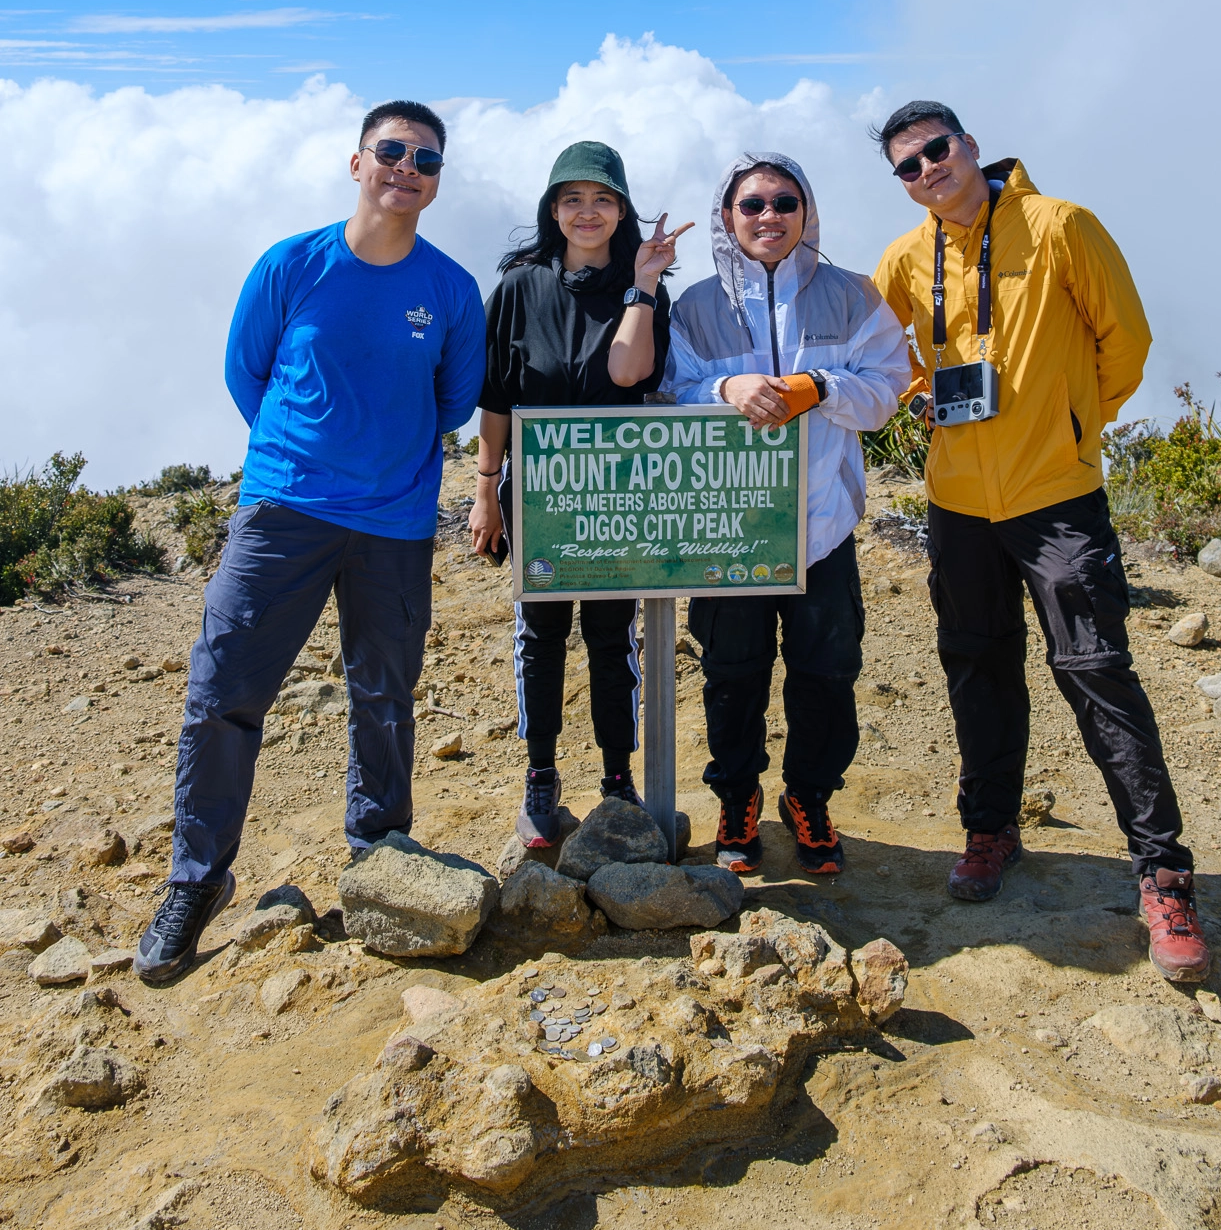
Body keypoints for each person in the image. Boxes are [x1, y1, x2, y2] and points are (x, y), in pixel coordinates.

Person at [134, 100, 485, 986]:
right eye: (393, 151)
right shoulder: (293, 263)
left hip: (395, 524)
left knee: (387, 693)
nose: (408, 168)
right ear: (357, 162)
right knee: (224, 692)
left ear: (437, 181)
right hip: (283, 513)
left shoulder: (448, 289)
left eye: (426, 160)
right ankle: (196, 879)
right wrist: (303, 454)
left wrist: (375, 460)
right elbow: (246, 372)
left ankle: (379, 851)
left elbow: (452, 403)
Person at [872, 99, 1209, 983]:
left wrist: (1068, 428)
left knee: (1095, 671)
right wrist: (918, 401)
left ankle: (1162, 872)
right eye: (906, 166)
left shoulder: (1061, 226)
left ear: (970, 146)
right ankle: (990, 832)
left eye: (934, 151)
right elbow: (888, 357)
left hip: (1056, 497)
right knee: (975, 666)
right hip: (956, 505)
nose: (925, 171)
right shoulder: (906, 257)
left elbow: (1123, 342)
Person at [663, 152, 911, 875]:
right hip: (729, 526)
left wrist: (819, 386)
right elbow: (667, 394)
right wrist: (726, 388)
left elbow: (887, 391)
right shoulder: (696, 307)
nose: (768, 216)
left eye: (783, 201)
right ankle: (736, 798)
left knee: (826, 673)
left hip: (823, 523)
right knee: (731, 673)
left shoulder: (852, 295)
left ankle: (809, 797)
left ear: (806, 213)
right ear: (726, 215)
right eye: (751, 204)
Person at [469, 141, 691, 848]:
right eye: (571, 199)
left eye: (601, 199)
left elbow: (630, 375)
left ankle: (617, 776)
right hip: (534, 492)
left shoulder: (644, 286)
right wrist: (484, 490)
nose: (586, 212)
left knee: (608, 635)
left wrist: (643, 284)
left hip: (617, 497)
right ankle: (540, 775)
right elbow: (497, 397)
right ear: (552, 210)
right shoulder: (516, 287)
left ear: (621, 208)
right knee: (540, 637)